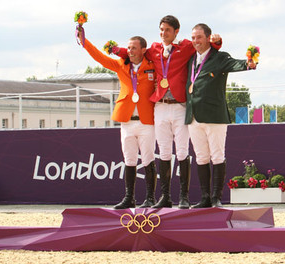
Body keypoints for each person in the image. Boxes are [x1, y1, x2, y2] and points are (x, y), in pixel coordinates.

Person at [116, 15, 222, 209]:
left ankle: (184, 197)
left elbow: (206, 47)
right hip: (161, 107)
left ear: (176, 32)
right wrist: (117, 50)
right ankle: (166, 196)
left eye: (167, 30)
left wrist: (217, 41)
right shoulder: (154, 49)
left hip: (180, 106)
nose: (163, 33)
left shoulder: (186, 47)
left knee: (182, 151)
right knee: (164, 152)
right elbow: (134, 53)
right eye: (161, 29)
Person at [77, 33, 157, 209]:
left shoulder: (152, 65)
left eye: (134, 48)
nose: (130, 51)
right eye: (128, 48)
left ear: (143, 50)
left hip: (146, 121)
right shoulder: (121, 65)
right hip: (127, 120)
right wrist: (84, 42)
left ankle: (150, 198)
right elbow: (100, 57)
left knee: (148, 159)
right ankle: (129, 197)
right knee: (129, 160)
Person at [185, 23, 257, 208]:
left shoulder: (220, 57)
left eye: (199, 37)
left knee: (217, 156)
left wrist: (249, 63)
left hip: (214, 116)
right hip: (193, 116)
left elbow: (237, 64)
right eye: (193, 37)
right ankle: (205, 198)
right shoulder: (191, 59)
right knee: (201, 157)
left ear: (208, 38)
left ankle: (216, 197)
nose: (195, 41)